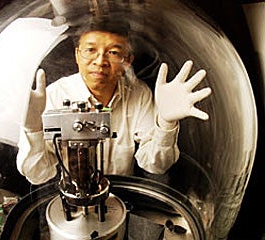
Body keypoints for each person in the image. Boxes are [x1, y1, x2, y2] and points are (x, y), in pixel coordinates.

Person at [16, 17, 212, 185]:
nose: (100, 61)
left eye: (113, 53)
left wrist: (166, 124)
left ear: (127, 61)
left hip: (121, 195)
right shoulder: (53, 96)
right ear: (77, 55)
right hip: (68, 196)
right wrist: (32, 130)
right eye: (90, 50)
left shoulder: (138, 94)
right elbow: (38, 175)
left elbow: (155, 165)